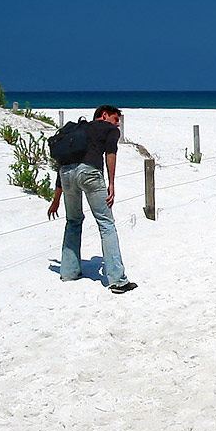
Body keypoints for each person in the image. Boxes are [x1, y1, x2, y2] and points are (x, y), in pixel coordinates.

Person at [47, 105, 137, 294]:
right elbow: (110, 154)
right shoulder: (109, 129)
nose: (117, 123)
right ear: (104, 115)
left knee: (72, 221)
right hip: (89, 172)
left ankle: (69, 272)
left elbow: (63, 163)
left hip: (66, 174)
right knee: (106, 224)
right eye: (115, 118)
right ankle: (118, 281)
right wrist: (111, 184)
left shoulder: (77, 131)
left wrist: (56, 199)